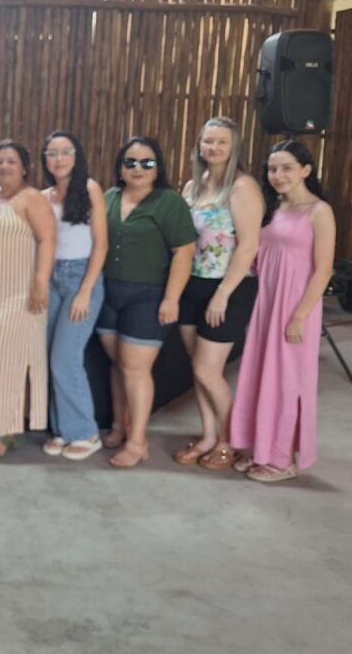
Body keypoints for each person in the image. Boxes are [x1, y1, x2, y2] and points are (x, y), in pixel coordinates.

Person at [229, 141, 335, 483]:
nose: (278, 175)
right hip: (267, 304)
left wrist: (300, 316)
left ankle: (284, 459)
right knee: (261, 376)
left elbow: (323, 269)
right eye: (273, 169)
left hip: (295, 307)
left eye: (287, 167)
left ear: (306, 170)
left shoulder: (319, 211)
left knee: (288, 382)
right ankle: (260, 448)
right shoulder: (272, 209)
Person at [97, 136, 196, 468]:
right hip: (108, 294)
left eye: (147, 163)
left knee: (136, 369)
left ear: (158, 168)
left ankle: (138, 442)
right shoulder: (109, 197)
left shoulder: (169, 202)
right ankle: (119, 425)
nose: (138, 168)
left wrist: (171, 298)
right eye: (130, 162)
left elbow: (184, 252)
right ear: (120, 167)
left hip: (148, 296)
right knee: (119, 365)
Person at [174, 118, 263, 470]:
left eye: (221, 142)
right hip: (192, 284)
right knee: (197, 371)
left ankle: (232, 440)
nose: (213, 148)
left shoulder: (242, 187)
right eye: (208, 141)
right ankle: (209, 435)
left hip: (228, 286)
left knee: (208, 371)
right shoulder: (192, 187)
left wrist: (223, 293)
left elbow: (249, 245)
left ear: (234, 147)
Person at [0, 140, 55, 462]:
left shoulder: (31, 198)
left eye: (11, 161)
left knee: (5, 363)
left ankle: (5, 431)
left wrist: (40, 283)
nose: (4, 167)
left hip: (19, 295)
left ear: (25, 167)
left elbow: (48, 240)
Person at [40, 131, 108, 461]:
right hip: (51, 278)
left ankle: (85, 432)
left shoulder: (90, 189)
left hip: (82, 278)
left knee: (65, 358)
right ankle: (63, 430)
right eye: (52, 153)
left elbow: (101, 245)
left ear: (76, 156)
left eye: (66, 152)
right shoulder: (43, 197)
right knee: (50, 356)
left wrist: (85, 291)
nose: (59, 158)